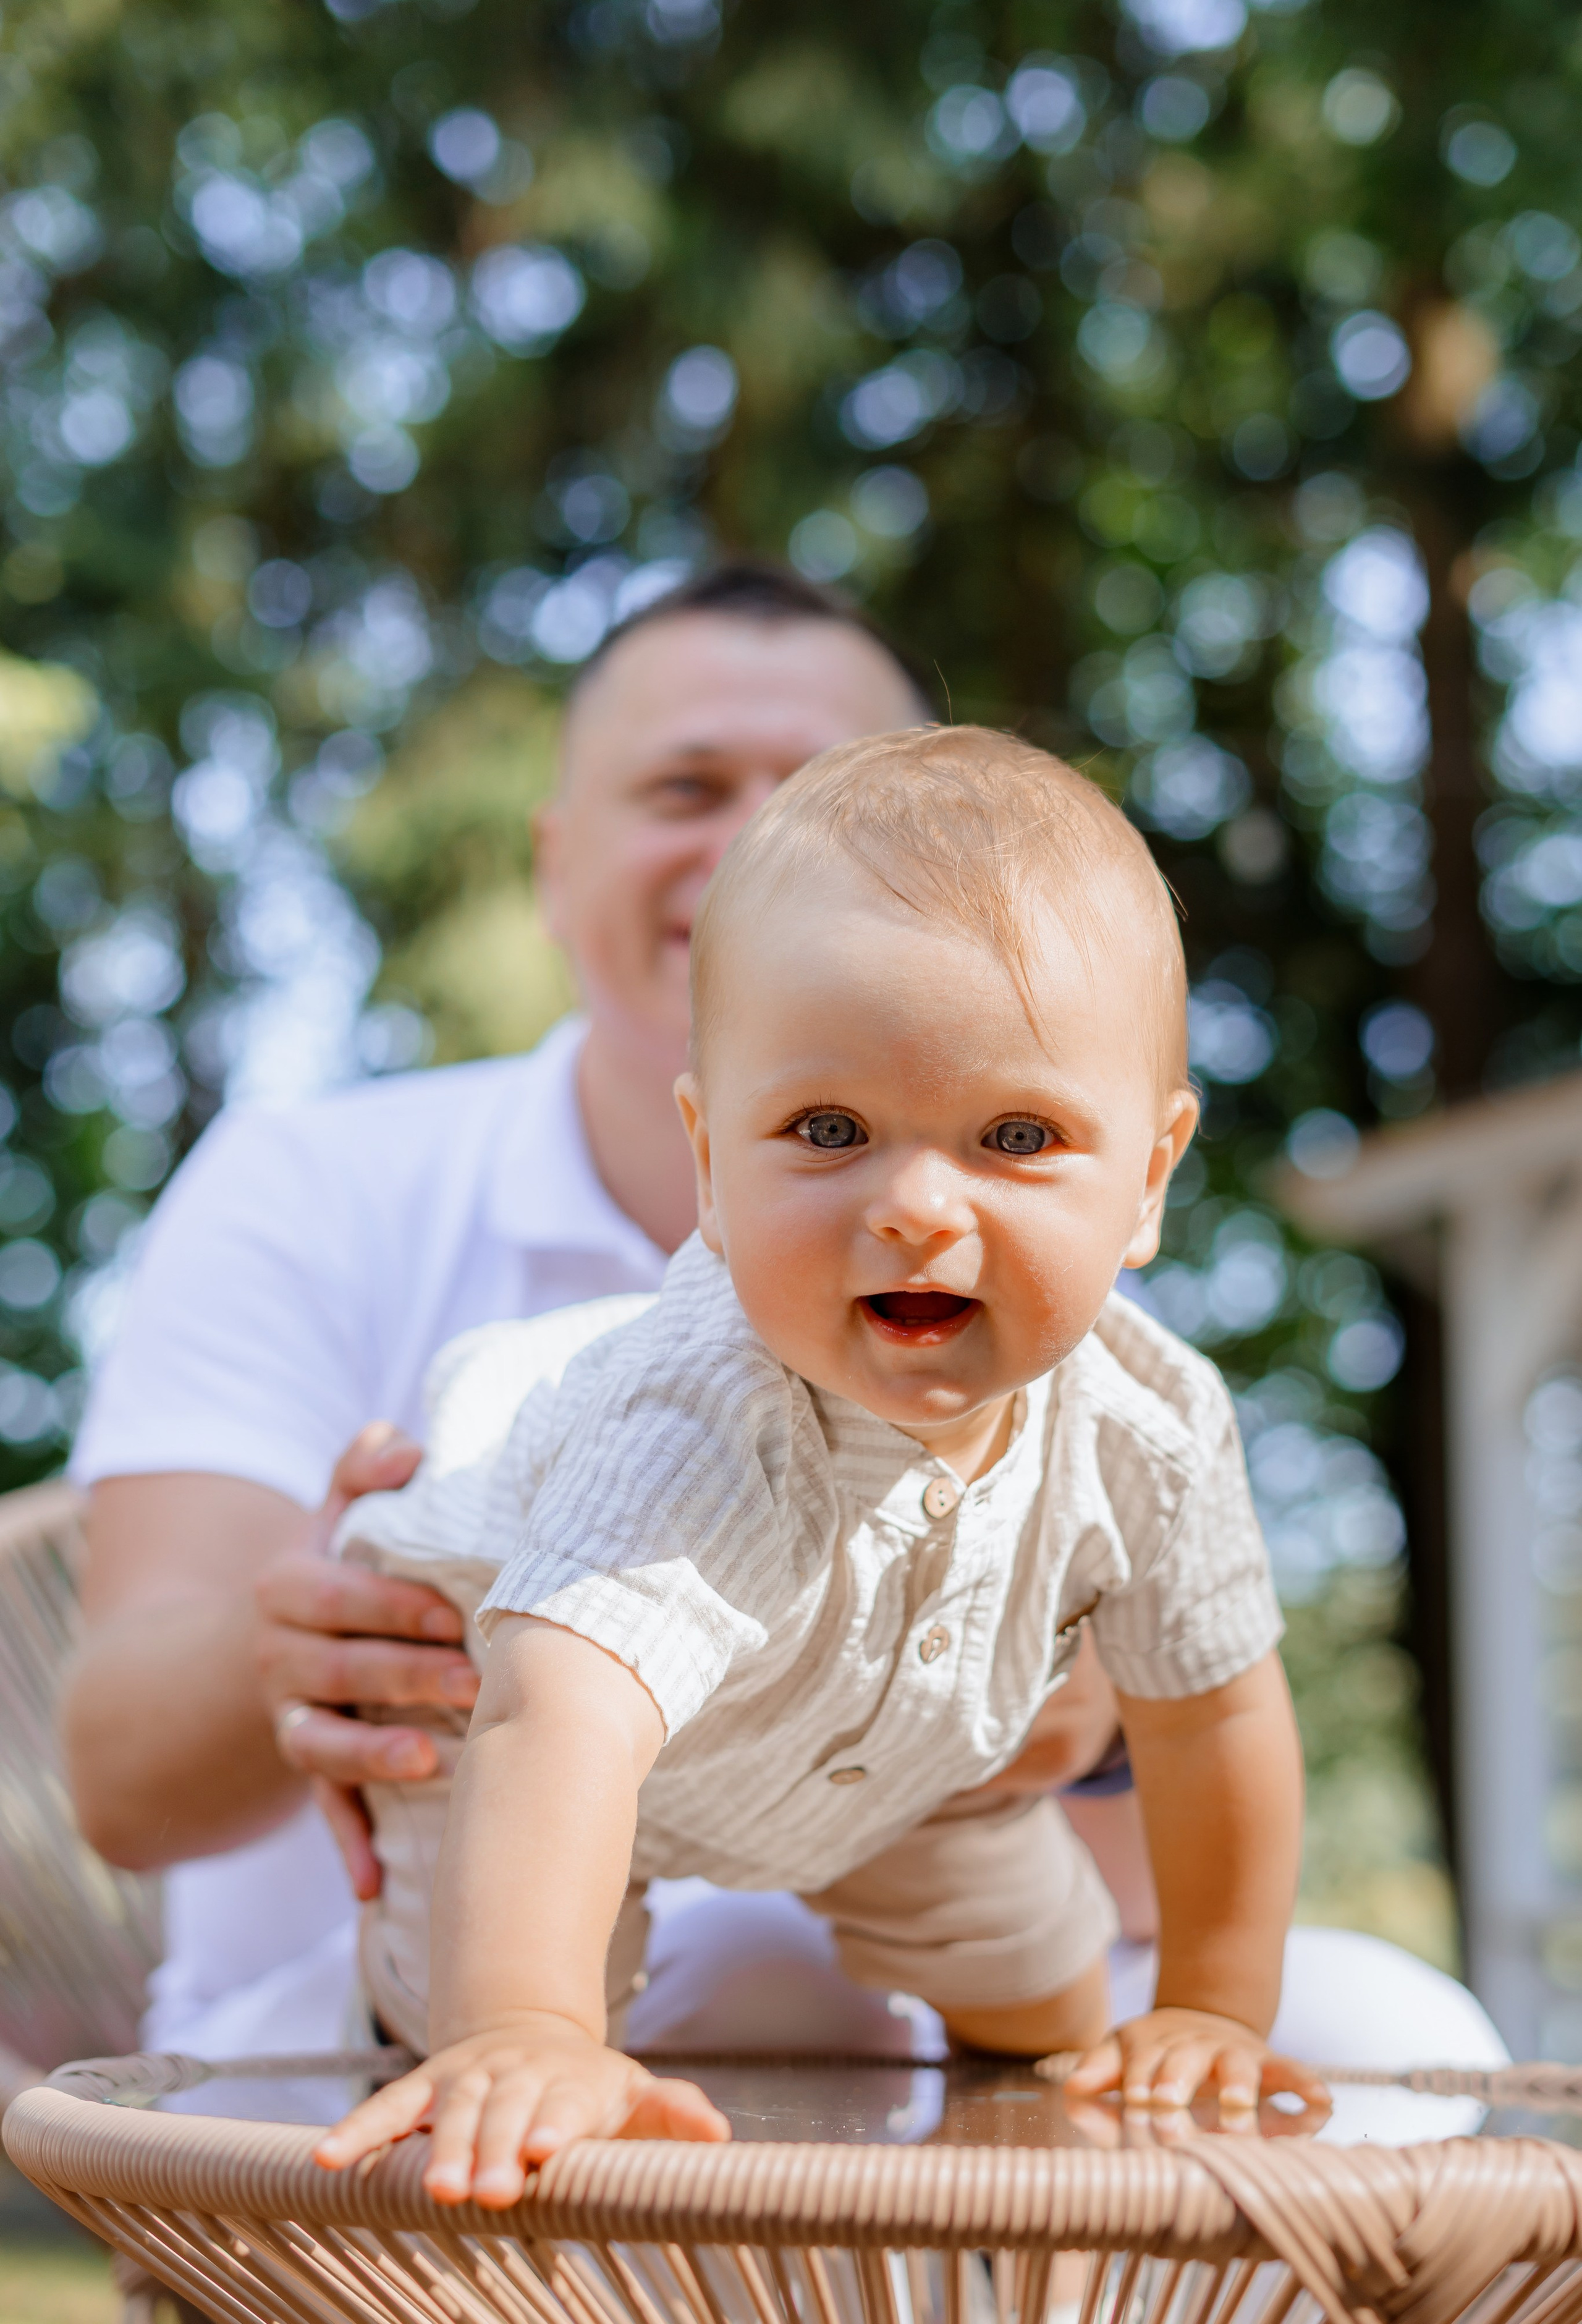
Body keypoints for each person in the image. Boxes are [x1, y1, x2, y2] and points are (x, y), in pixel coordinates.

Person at [62, 567, 1134, 2093]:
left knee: (1397, 2037)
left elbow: (1137, 1897)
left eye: (826, 795)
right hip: (357, 2050)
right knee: (772, 1979)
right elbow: (116, 1784)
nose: (757, 843)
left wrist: (1074, 1729)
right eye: (685, 787)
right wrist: (298, 1645)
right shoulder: (306, 1186)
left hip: (926, 2028)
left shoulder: (1034, 1248)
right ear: (556, 867)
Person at [316, 726, 1327, 2205]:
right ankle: (464, 2039)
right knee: (491, 2041)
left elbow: (1212, 1716)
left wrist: (1211, 2006)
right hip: (525, 1749)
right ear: (712, 1167)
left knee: (1057, 2013)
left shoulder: (1150, 1429)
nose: (916, 1206)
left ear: (1150, 1180)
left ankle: (998, 2232)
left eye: (1016, 1134)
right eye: (829, 1129)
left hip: (910, 1770)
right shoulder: (693, 1418)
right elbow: (558, 1724)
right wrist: (525, 2024)